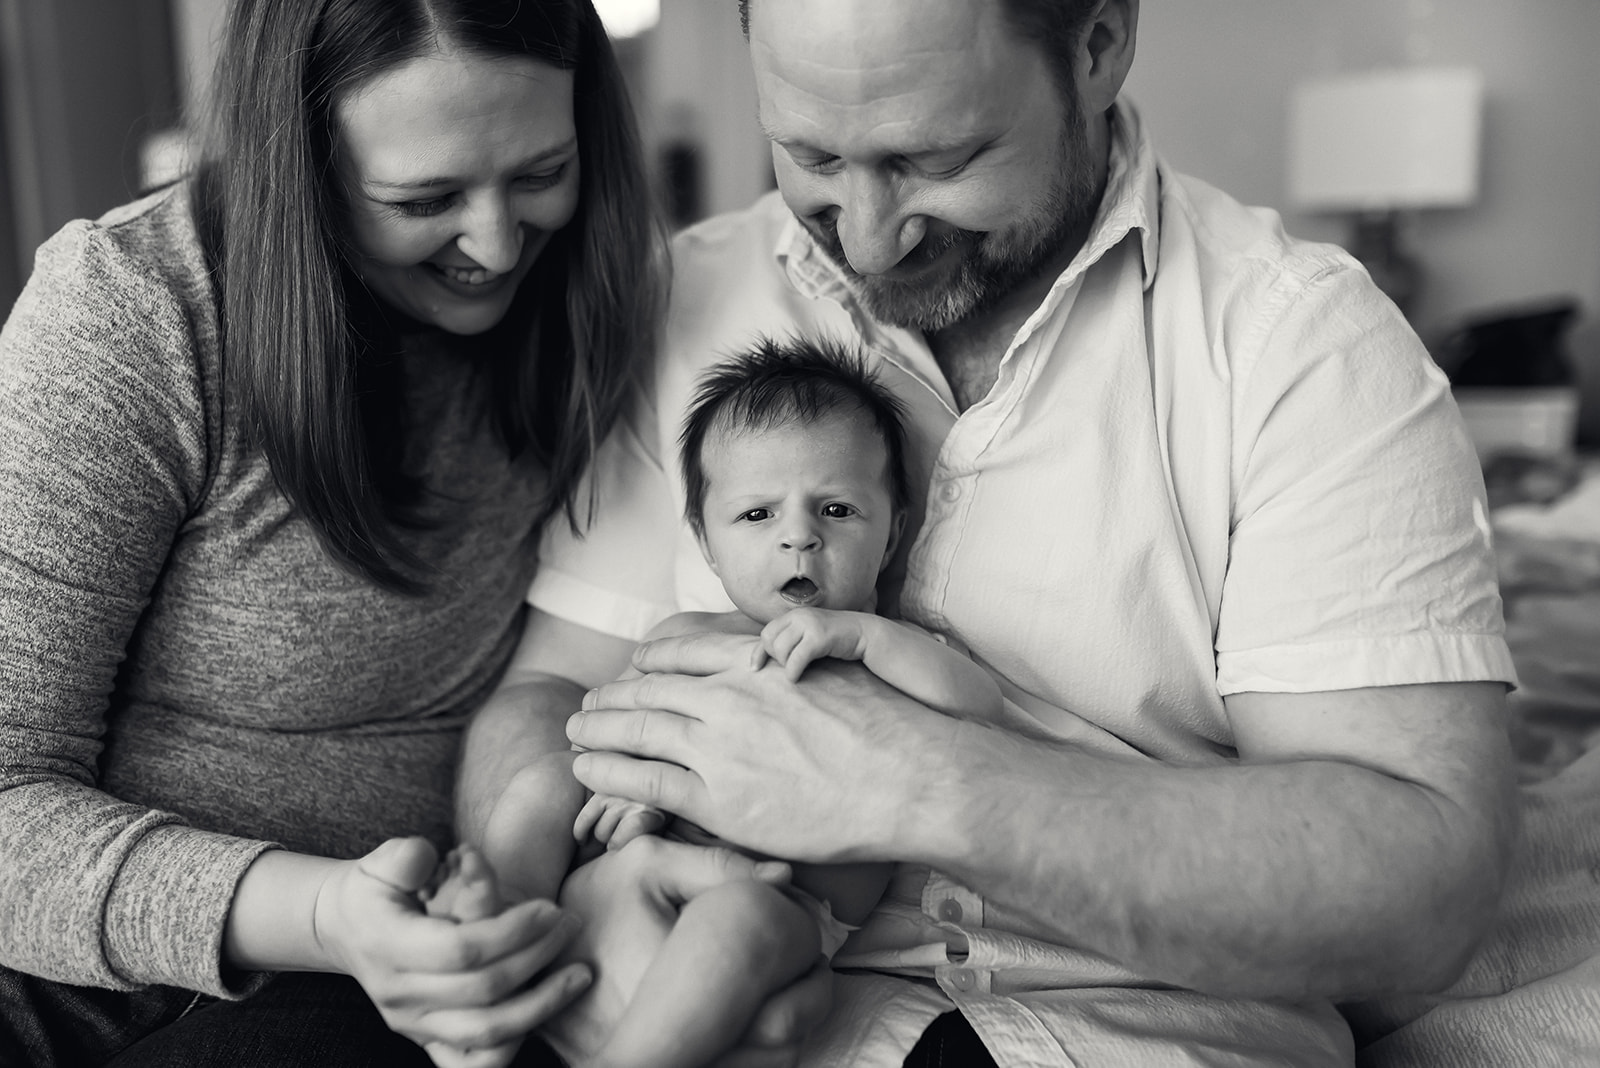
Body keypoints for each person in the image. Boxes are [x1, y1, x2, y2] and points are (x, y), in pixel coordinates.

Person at [458, 0, 1522, 1064]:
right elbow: (552, 695)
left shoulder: (1302, 347)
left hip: (1137, 1029)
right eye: (811, 154)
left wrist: (912, 781)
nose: (870, 235)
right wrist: (579, 927)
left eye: (937, 157)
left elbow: (1417, 891)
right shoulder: (679, 301)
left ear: (1097, 45)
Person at [0, 2, 826, 1066]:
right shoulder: (135, 312)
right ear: (297, 164)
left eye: (541, 172)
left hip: (418, 959)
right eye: (424, 199)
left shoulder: (602, 310)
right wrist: (328, 916)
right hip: (97, 990)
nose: (494, 243)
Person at [448, 337, 1001, 1067]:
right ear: (706, 544)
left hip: (786, 902)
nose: (799, 536)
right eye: (756, 517)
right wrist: (623, 787)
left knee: (738, 921)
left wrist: (863, 640)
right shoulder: (685, 637)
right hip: (636, 853)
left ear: (893, 529)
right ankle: (505, 928)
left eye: (837, 509)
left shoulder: (893, 654)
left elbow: (977, 707)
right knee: (543, 780)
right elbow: (610, 728)